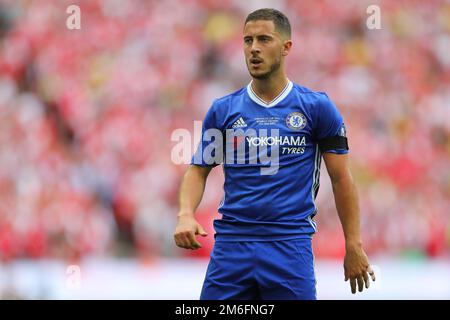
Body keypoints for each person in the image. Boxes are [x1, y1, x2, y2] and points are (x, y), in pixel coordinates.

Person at [174, 8, 376, 300]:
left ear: (286, 47)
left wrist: (353, 245)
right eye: (248, 40)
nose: (254, 48)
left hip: (289, 246)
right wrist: (185, 215)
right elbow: (198, 169)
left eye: (264, 39)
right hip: (232, 244)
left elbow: (342, 179)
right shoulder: (223, 109)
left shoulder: (316, 108)